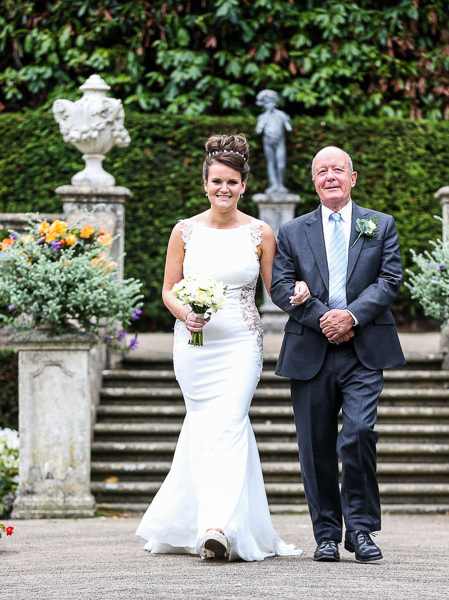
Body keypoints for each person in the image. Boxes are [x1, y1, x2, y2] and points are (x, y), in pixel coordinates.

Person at [136, 133, 304, 562]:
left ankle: (217, 527)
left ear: (243, 185)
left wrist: (301, 292)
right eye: (216, 182)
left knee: (229, 422)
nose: (224, 190)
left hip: (241, 344)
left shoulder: (261, 233)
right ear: (205, 184)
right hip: (194, 346)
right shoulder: (185, 231)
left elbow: (275, 290)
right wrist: (183, 314)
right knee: (205, 427)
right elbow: (168, 290)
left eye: (232, 182)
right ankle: (210, 522)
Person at [270, 146, 404, 563]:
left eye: (338, 170)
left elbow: (390, 280)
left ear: (353, 177)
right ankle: (326, 533)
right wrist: (324, 317)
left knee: (360, 432)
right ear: (313, 181)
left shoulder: (380, 225)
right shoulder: (292, 231)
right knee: (315, 446)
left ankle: (361, 530)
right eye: (321, 171)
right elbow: (279, 286)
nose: (330, 176)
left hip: (364, 348)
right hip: (311, 349)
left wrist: (350, 316)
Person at [255, 89, 292, 193]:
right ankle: (274, 184)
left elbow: (289, 128)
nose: (269, 104)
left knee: (281, 164)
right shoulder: (262, 117)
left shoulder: (280, 115)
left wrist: (285, 119)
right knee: (271, 163)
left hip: (279, 142)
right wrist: (266, 114)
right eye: (267, 102)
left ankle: (280, 184)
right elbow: (258, 130)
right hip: (267, 141)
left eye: (271, 101)